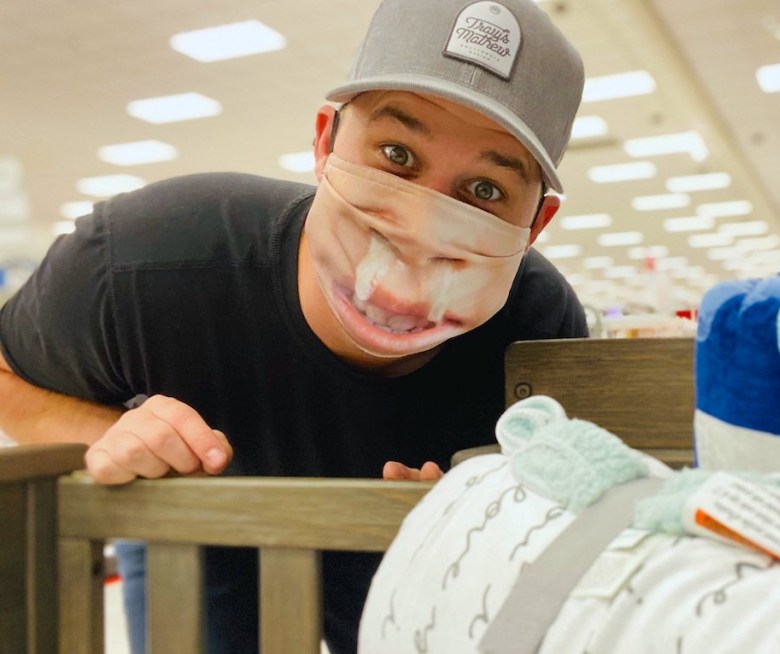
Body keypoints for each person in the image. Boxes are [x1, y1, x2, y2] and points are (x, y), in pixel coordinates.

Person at [0, 0, 587, 650]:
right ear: (324, 140)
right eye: (396, 153)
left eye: (483, 191)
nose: (422, 223)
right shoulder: (147, 260)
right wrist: (114, 434)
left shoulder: (541, 335)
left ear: (534, 227)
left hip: (402, 564)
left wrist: (485, 521)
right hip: (208, 527)